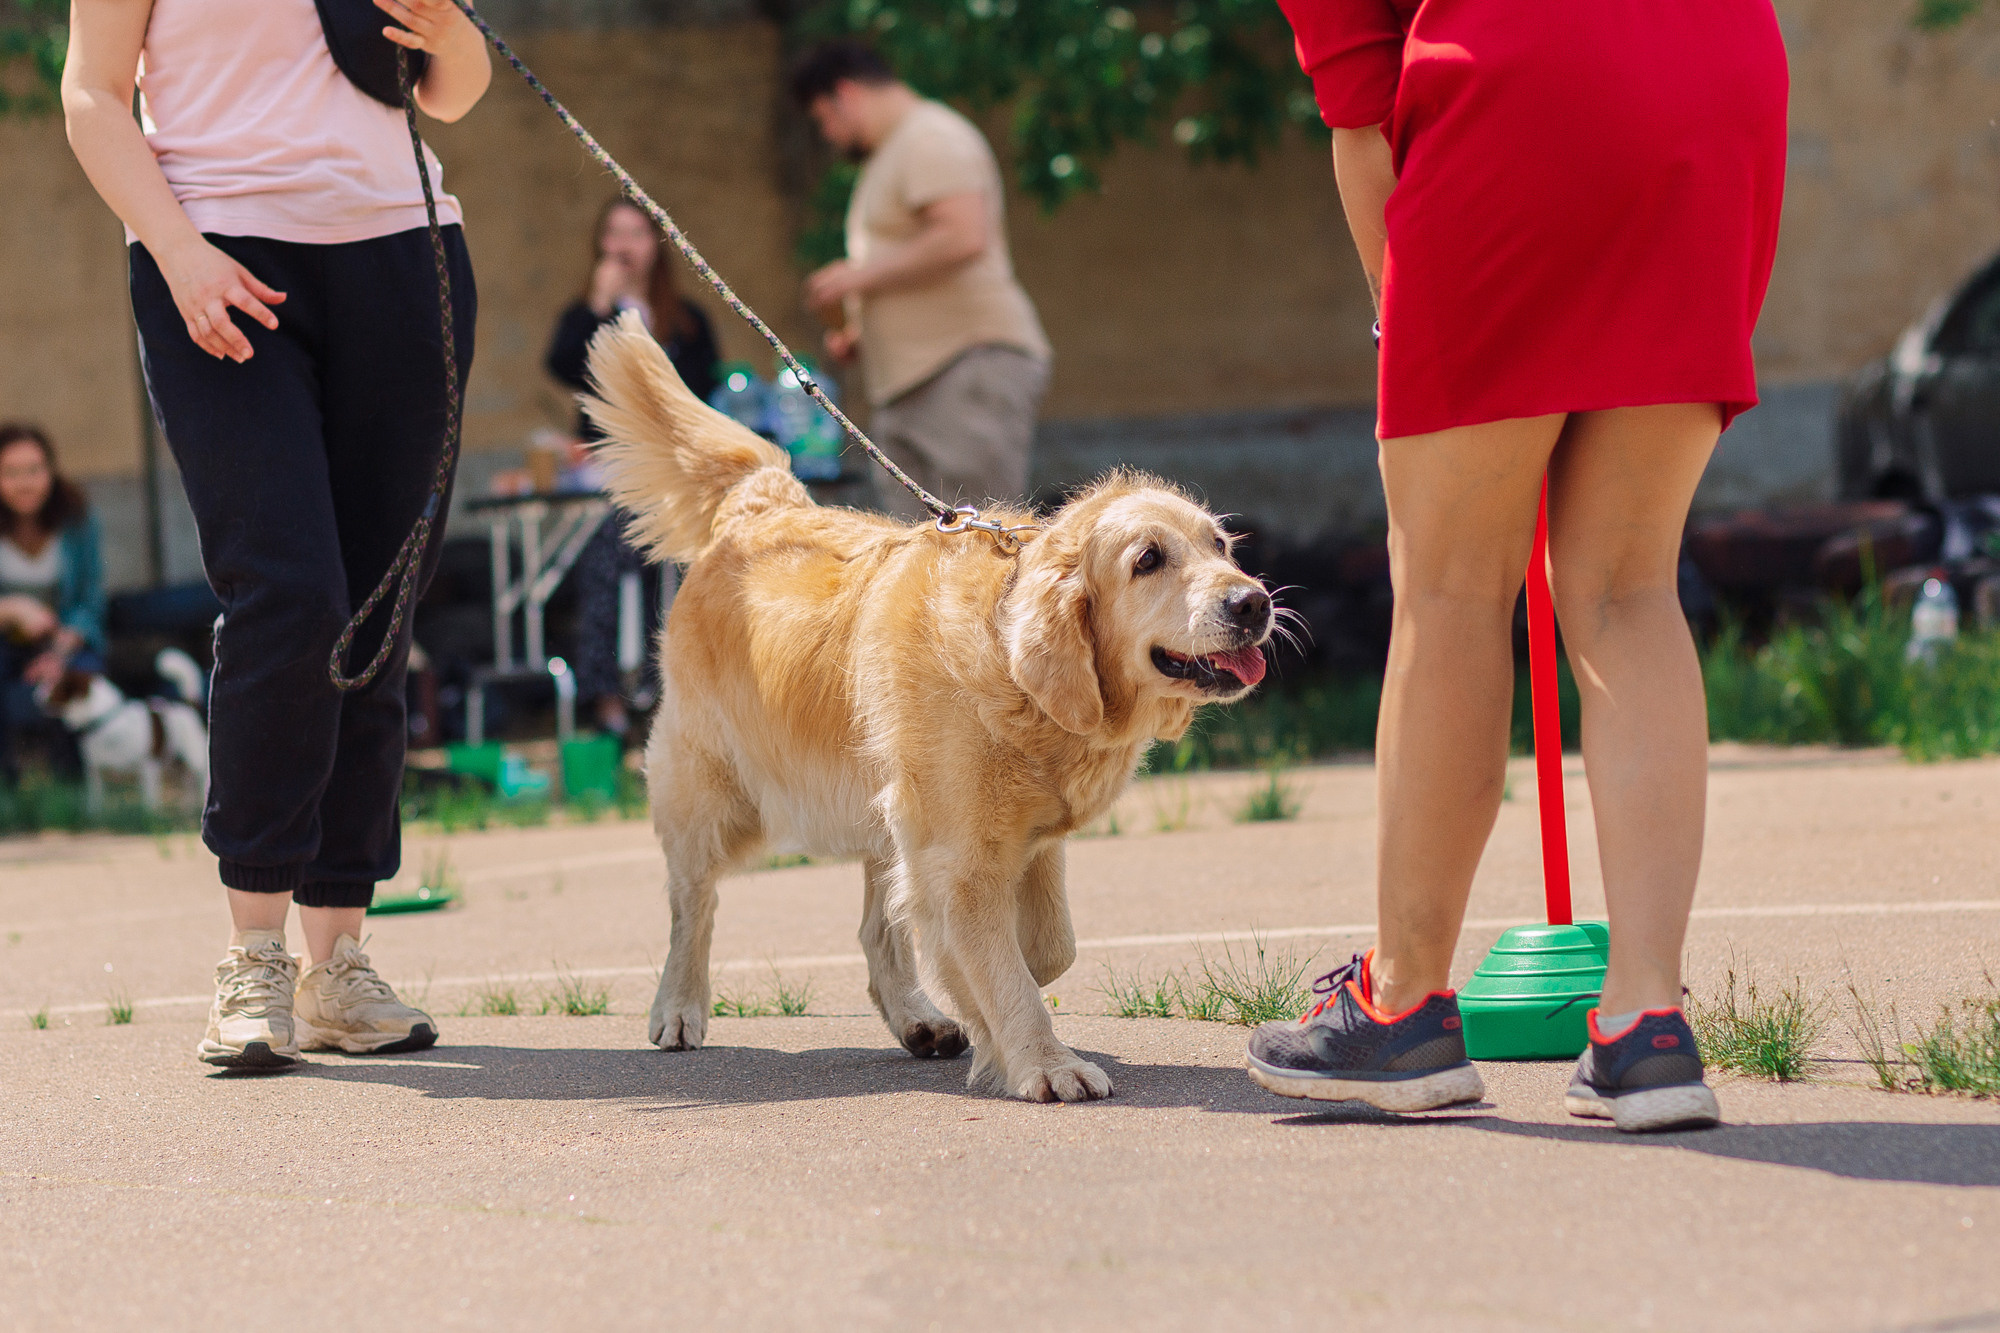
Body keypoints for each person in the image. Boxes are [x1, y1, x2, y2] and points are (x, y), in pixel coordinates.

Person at [1243, 2, 1788, 1132]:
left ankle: (1399, 1009)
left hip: (1518, 104)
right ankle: (1647, 1025)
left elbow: (1362, 117)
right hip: (1715, 84)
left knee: (1446, 588)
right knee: (1629, 587)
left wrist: (1415, 335)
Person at [63, 0, 491, 1070]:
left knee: (376, 613)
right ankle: (253, 958)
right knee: (289, 594)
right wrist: (177, 251)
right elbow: (91, 97)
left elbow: (453, 88)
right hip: (217, 260)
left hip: (405, 253)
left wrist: (450, 25)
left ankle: (337, 961)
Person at [790, 41, 1052, 520]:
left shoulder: (930, 137)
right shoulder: (894, 152)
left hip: (962, 369)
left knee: (978, 550)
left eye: (824, 119)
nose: (827, 134)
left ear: (845, 94)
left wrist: (857, 277)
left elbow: (963, 234)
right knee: (925, 565)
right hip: (919, 384)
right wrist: (861, 333)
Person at [545, 198, 718, 737]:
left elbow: (700, 391)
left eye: (636, 233)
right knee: (603, 563)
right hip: (606, 476)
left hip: (668, 477)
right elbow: (563, 366)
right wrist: (599, 303)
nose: (624, 245)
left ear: (656, 244)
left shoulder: (686, 322)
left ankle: (666, 689)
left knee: (673, 570)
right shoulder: (588, 315)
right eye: (613, 234)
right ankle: (607, 701)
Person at [0, 423, 106, 784]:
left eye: (34, 469)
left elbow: (90, 599)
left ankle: (77, 789)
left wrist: (59, 653)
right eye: (11, 473)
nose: (25, 482)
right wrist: (13, 608)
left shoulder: (77, 519)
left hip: (63, 639)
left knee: (80, 674)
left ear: (51, 470)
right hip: (6, 641)